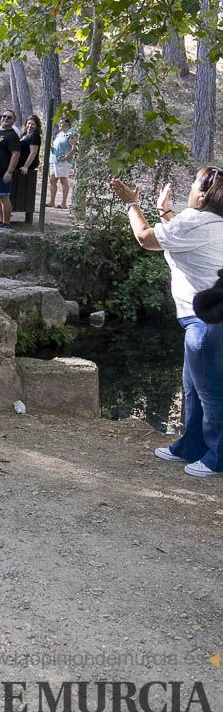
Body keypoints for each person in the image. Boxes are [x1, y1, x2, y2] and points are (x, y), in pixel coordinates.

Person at [111, 167, 223, 479]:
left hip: (207, 324)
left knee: (212, 393)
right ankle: (191, 446)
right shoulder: (208, 223)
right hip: (203, 321)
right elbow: (181, 239)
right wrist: (165, 211)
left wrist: (131, 204)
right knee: (193, 388)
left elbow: (146, 240)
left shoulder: (195, 221)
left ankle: (217, 459)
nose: (189, 187)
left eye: (194, 184)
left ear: (202, 195)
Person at [48, 116, 77, 208]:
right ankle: (51, 202)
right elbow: (57, 146)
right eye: (59, 123)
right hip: (54, 160)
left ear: (67, 124)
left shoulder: (71, 134)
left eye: (61, 123)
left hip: (64, 161)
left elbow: (74, 148)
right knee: (52, 180)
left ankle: (63, 203)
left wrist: (66, 157)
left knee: (63, 180)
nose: (59, 125)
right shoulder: (59, 134)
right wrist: (51, 147)